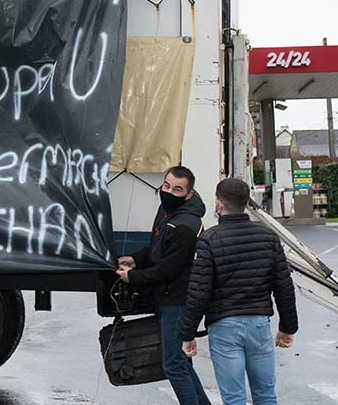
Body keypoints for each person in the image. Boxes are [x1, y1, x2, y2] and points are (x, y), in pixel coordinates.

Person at [180, 177, 298, 405]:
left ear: (219, 204)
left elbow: (198, 292)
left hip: (224, 327)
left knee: (234, 398)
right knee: (265, 395)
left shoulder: (208, 240)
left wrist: (188, 334)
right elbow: (283, 285)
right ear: (246, 202)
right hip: (259, 325)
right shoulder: (268, 237)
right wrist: (287, 327)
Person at [116, 165, 211, 405]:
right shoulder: (169, 212)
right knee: (181, 363)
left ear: (189, 194)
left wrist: (133, 277)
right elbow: (158, 249)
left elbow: (169, 269)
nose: (168, 192)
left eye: (177, 189)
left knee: (174, 365)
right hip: (171, 299)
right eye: (167, 186)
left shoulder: (185, 226)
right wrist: (136, 259)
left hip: (178, 301)